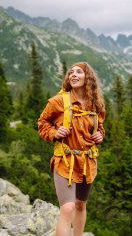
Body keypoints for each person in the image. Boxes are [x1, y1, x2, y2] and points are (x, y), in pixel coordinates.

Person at [38, 62, 105, 236]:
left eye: (78, 72)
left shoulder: (96, 105)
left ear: (88, 77)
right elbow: (42, 124)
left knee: (81, 205)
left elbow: (100, 126)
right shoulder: (58, 101)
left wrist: (100, 135)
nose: (73, 75)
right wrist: (55, 132)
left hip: (87, 162)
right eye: (70, 73)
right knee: (67, 208)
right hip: (65, 161)